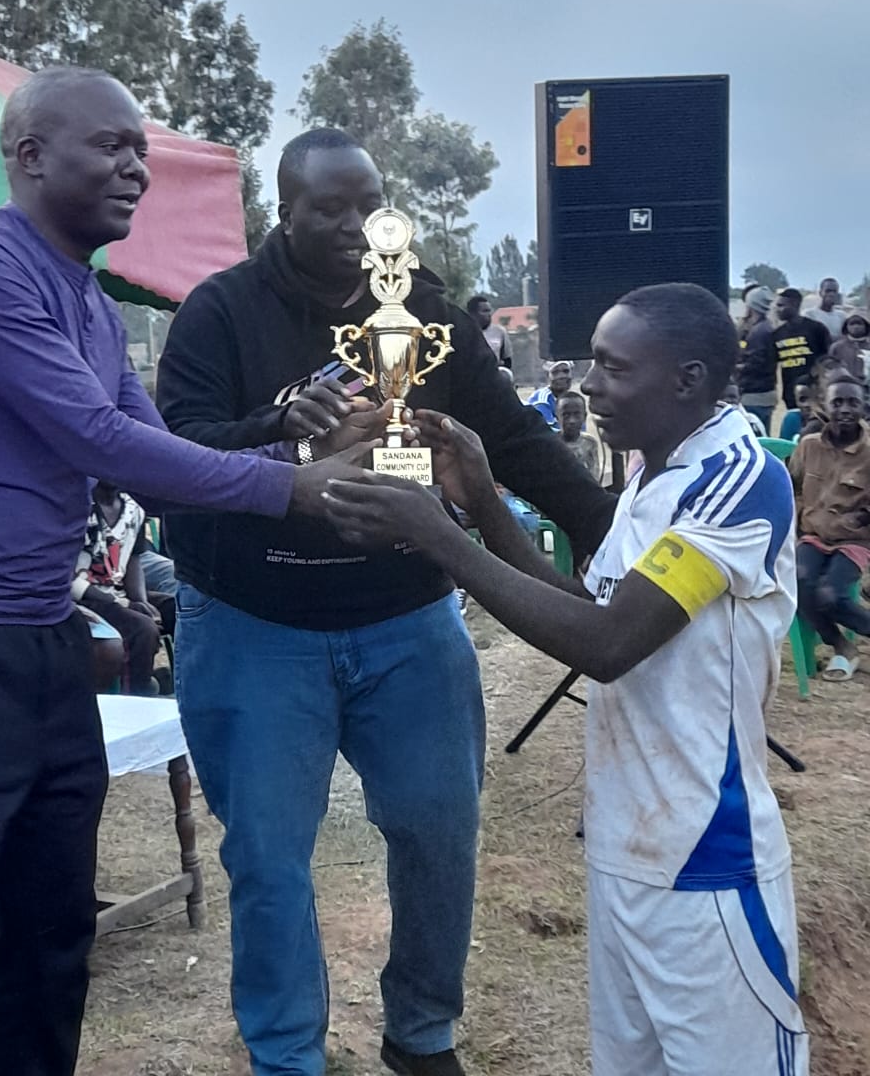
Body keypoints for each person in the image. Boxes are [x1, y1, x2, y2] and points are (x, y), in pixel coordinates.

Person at [0, 68, 361, 1076]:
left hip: (46, 640)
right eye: (111, 146)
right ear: (29, 155)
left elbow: (161, 460)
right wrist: (295, 484)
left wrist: (302, 454)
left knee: (53, 929)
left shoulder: (91, 305)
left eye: (143, 151)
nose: (137, 169)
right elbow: (100, 439)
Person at [156, 127, 615, 1076]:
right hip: (252, 623)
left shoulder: (425, 310)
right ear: (284, 211)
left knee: (439, 827)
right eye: (330, 208)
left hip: (407, 615)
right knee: (269, 857)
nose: (356, 225)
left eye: (370, 204)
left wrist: (613, 530)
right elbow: (176, 458)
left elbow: (513, 440)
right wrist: (284, 435)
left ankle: (422, 1032)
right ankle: (288, 1055)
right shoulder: (220, 312)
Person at [324, 282, 808, 1076]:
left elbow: (610, 645)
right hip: (626, 849)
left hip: (710, 866)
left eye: (614, 368)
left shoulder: (737, 479)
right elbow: (582, 611)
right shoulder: (653, 479)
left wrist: (439, 539)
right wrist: (481, 501)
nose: (588, 385)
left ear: (687, 380)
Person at [790, 376, 870, 681]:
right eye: (837, 402)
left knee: (830, 595)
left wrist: (862, 518)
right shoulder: (809, 446)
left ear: (863, 407)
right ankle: (841, 646)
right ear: (824, 405)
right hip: (812, 535)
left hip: (854, 540)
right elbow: (792, 486)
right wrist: (800, 519)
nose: (845, 409)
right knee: (799, 583)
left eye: (852, 402)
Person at [72, 482, 162, 695]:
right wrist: (122, 603)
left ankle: (175, 683)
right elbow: (67, 578)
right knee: (142, 629)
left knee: (176, 609)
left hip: (115, 591)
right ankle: (136, 696)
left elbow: (133, 558)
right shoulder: (77, 507)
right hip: (82, 596)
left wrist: (140, 600)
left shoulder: (134, 507)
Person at [773, 287, 830, 411]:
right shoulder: (777, 334)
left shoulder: (816, 329)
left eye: (781, 305)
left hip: (815, 392)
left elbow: (827, 359)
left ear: (794, 304)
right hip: (790, 394)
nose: (777, 309)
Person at [736, 285, 777, 433]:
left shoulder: (759, 332)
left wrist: (734, 367)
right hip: (764, 394)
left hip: (754, 395)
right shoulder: (765, 327)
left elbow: (754, 364)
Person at [558, 391, 602, 479]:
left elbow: (594, 476)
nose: (572, 421)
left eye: (577, 414)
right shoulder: (551, 445)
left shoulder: (590, 443)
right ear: (557, 417)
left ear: (584, 416)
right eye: (566, 415)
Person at [466, 294, 512, 370]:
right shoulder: (462, 333)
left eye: (489, 311)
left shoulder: (500, 332)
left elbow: (507, 360)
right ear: (472, 314)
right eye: (485, 311)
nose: (489, 314)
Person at [526, 359, 574, 427]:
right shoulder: (542, 400)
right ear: (547, 376)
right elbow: (547, 431)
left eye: (566, 371)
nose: (562, 376)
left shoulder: (573, 400)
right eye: (555, 372)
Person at [829, 311, 870, 384]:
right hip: (844, 385)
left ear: (866, 326)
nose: (856, 327)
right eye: (852, 324)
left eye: (859, 323)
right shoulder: (837, 347)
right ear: (846, 327)